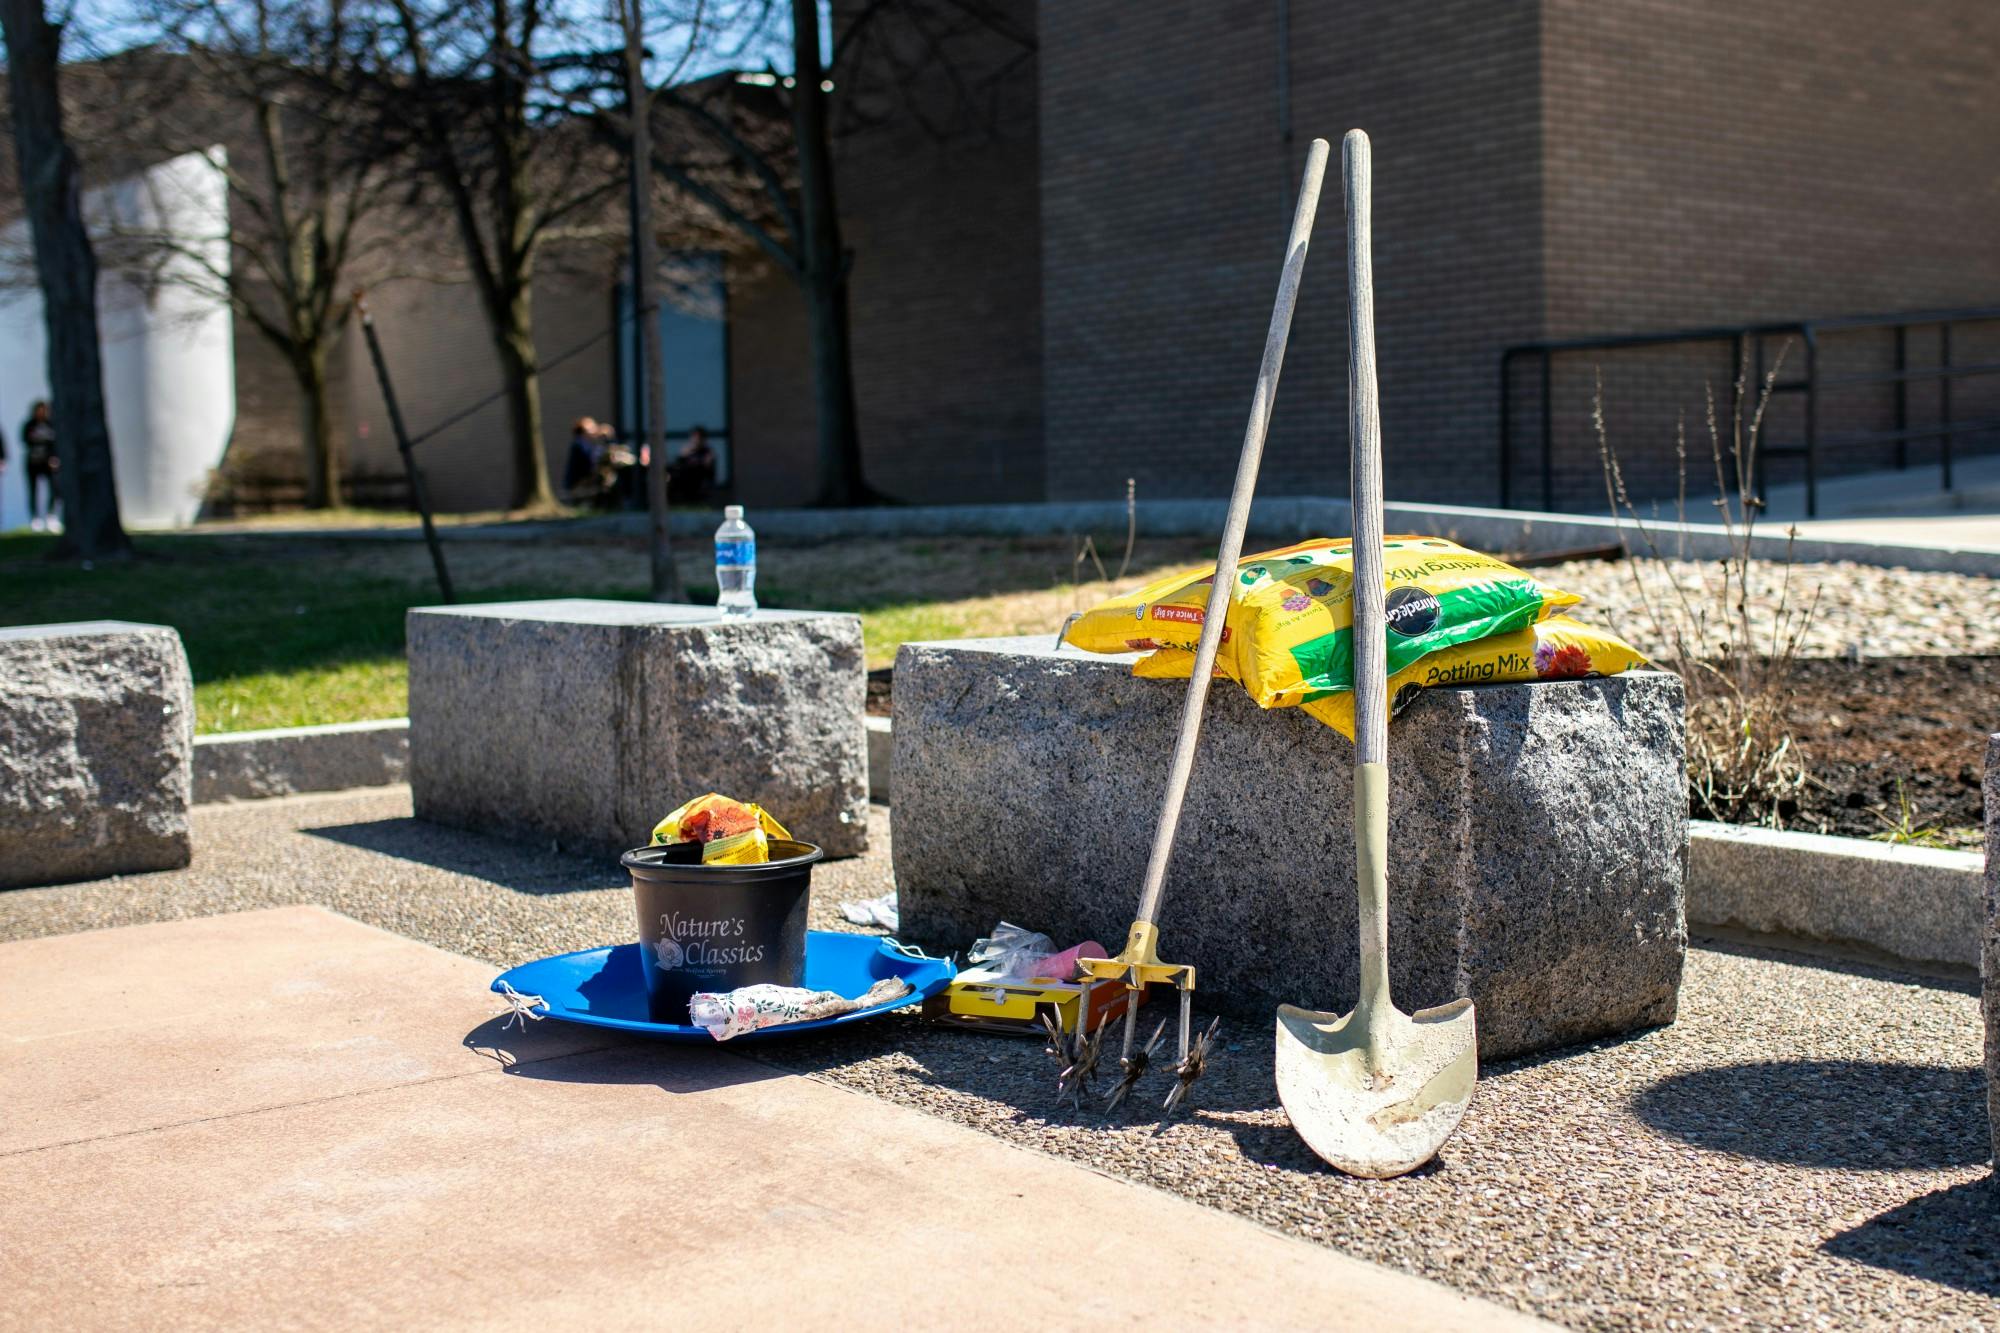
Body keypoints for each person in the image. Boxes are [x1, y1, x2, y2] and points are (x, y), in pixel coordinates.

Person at [20, 401, 58, 532]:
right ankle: (35, 518)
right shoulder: (29, 425)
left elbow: (56, 443)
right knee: (33, 491)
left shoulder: (51, 424)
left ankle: (51, 516)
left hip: (48, 464)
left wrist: (54, 458)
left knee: (54, 489)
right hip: (33, 463)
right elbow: (24, 440)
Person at [668, 425, 717, 504]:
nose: (695, 440)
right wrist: (686, 453)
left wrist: (695, 462)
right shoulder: (689, 451)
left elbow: (707, 466)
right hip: (685, 480)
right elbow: (679, 462)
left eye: (697, 437)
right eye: (693, 437)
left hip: (698, 481)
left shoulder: (708, 452)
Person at [562, 416, 601, 498]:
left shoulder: (587, 443)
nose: (596, 430)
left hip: (583, 484)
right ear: (585, 430)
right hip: (578, 486)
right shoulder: (579, 443)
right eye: (593, 427)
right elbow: (591, 460)